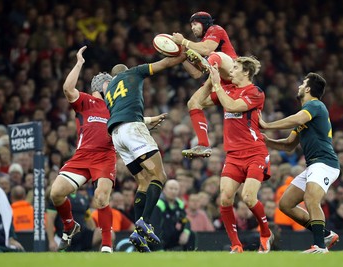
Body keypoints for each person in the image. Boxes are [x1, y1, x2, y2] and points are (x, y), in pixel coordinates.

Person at [49, 46, 168, 253]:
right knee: (56, 194)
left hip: (104, 157)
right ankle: (69, 225)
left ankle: (106, 246)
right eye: (111, 83)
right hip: (82, 156)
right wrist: (79, 64)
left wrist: (149, 121)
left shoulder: (116, 106)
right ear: (103, 85)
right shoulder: (87, 102)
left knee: (102, 198)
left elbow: (127, 121)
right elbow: (68, 90)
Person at [102, 51, 186, 252]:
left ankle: (138, 235)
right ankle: (144, 222)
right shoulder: (133, 73)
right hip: (133, 129)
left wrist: (146, 121)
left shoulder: (110, 91)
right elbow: (164, 64)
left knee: (143, 181)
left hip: (117, 135)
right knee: (159, 175)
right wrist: (184, 54)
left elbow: (122, 112)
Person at [259, 72, 341, 253]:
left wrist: (267, 124)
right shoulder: (305, 117)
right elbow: (289, 145)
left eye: (303, 83)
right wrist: (267, 140)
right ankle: (326, 234)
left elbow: (298, 118)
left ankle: (320, 246)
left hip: (325, 163)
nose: (299, 86)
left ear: (309, 88)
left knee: (311, 198)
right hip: (313, 165)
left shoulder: (316, 105)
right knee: (285, 204)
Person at [205, 57, 274, 253]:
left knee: (248, 198)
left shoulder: (256, 92)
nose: (231, 70)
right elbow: (201, 102)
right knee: (225, 198)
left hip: (254, 152)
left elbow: (233, 106)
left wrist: (218, 84)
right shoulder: (228, 90)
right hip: (233, 155)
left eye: (235, 67)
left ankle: (266, 233)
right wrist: (210, 79)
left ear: (246, 72)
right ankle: (236, 244)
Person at [171, 12, 237, 158]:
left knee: (216, 56)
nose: (193, 28)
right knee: (193, 103)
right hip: (220, 83)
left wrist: (184, 42)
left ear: (204, 23)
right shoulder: (198, 46)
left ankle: (207, 63)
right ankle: (203, 145)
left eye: (195, 24)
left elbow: (207, 49)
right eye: (191, 25)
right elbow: (196, 74)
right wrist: (180, 57)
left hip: (234, 73)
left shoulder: (215, 29)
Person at [149, 179, 196, 251]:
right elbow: (154, 227)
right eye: (171, 188)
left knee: (191, 235)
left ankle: (189, 257)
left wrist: (186, 232)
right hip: (155, 237)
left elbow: (185, 220)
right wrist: (159, 248)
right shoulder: (158, 204)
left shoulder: (179, 204)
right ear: (164, 190)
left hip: (169, 236)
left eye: (176, 189)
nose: (173, 191)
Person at [0, 176, 24, 252]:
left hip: (0, 239)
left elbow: (7, 220)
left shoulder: (0, 200)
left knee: (19, 251)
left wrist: (11, 238)